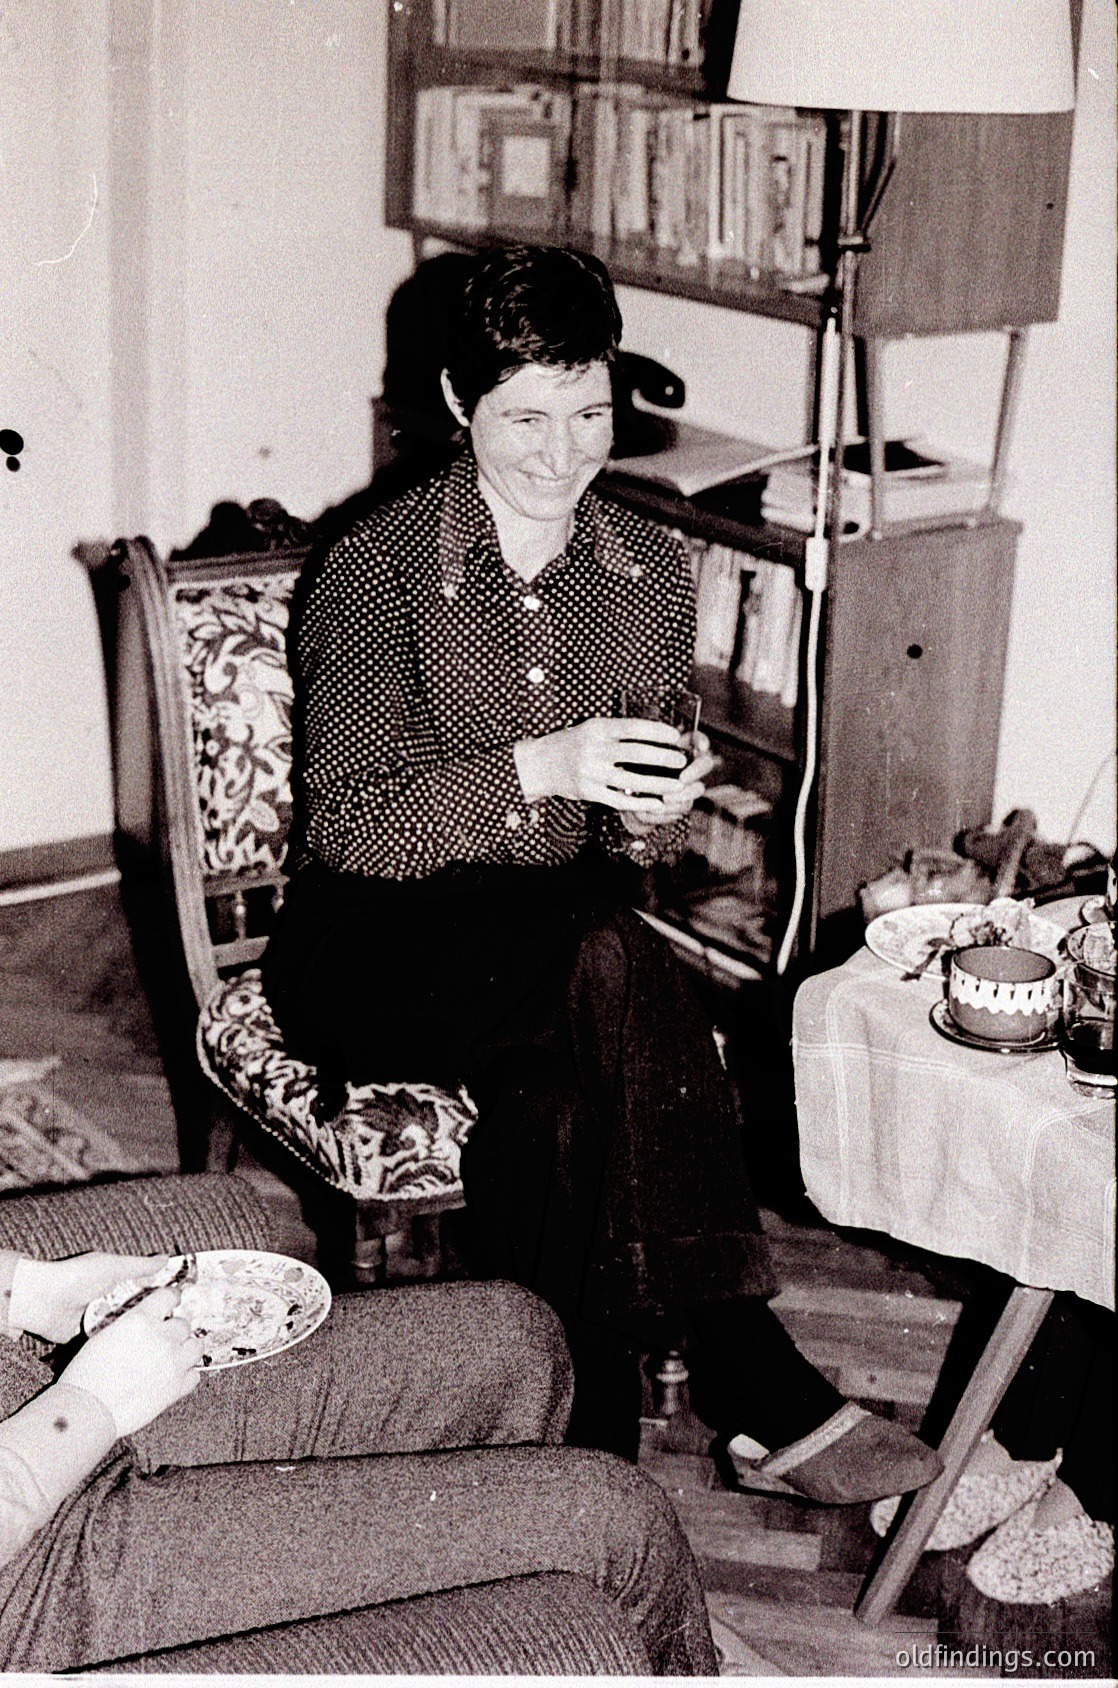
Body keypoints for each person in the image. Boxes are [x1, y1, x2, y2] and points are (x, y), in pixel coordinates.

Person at [263, 242, 941, 1499]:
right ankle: (750, 1372)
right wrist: (543, 763)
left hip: (558, 947)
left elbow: (638, 844)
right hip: (372, 940)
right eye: (525, 416)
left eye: (590, 413)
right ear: (460, 405)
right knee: (610, 956)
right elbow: (349, 827)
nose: (562, 452)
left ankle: (578, 1461)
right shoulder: (370, 566)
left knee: (557, 1108)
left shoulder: (642, 569)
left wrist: (652, 809)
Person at [0, 1175, 715, 1674]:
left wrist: (26, 1292)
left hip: (26, 1401)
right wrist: (90, 1406)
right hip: (30, 1560)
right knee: (615, 1522)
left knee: (511, 1340)